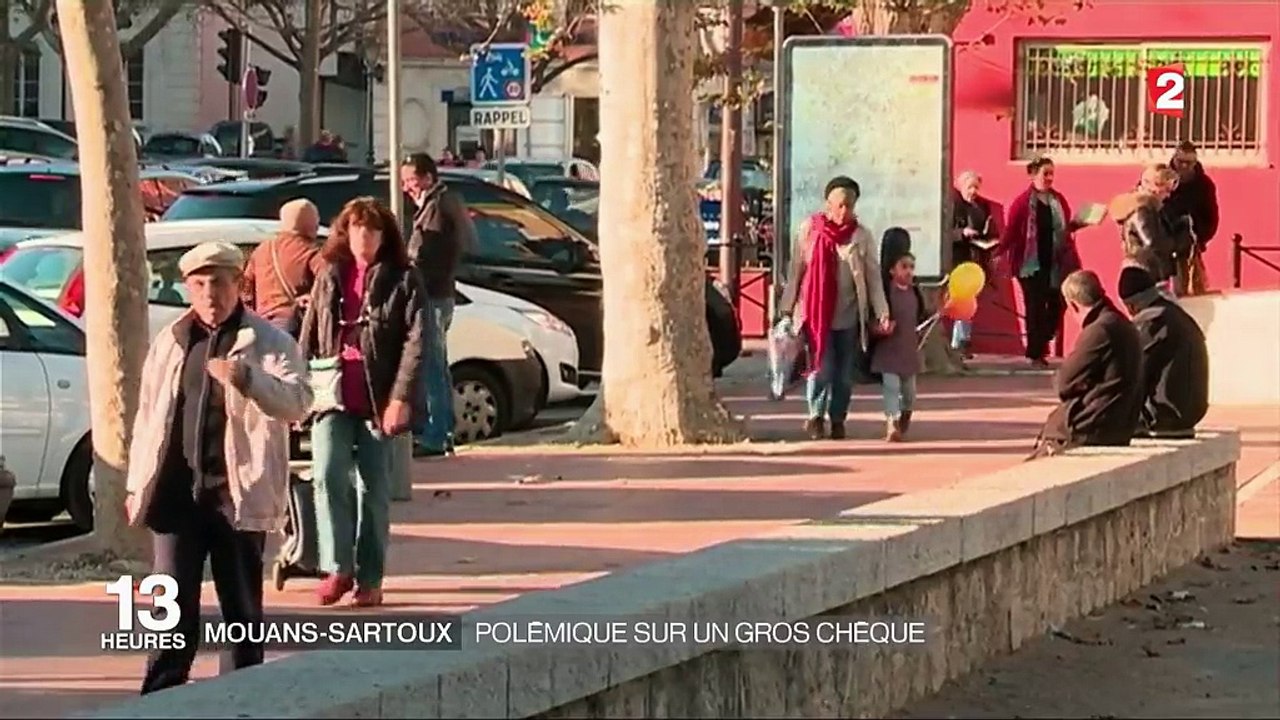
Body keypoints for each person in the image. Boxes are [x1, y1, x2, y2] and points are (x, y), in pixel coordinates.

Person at [124, 242, 312, 693]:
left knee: (241, 609)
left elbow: (299, 403)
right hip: (175, 495)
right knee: (170, 602)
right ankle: (162, 693)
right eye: (201, 284)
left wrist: (249, 379)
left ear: (238, 285)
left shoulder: (269, 342)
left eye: (221, 283)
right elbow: (148, 416)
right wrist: (136, 484)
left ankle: (243, 693)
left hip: (236, 496)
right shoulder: (171, 340)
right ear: (188, 288)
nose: (211, 294)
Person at [300, 197, 425, 607]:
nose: (363, 237)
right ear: (344, 231)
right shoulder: (330, 273)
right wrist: (298, 390)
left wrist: (400, 397)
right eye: (356, 228)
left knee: (373, 488)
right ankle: (338, 567)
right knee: (327, 473)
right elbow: (310, 330)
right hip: (330, 391)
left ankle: (370, 577)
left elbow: (418, 341)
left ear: (384, 235)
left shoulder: (404, 279)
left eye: (372, 230)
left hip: (377, 396)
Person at [778, 176, 892, 440]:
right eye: (839, 205)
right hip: (816, 317)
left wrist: (882, 310)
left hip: (850, 317)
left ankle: (838, 417)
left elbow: (873, 277)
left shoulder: (861, 235)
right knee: (821, 369)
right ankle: (815, 416)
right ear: (828, 204)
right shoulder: (810, 229)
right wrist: (786, 309)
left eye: (849, 205)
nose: (844, 211)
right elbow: (796, 272)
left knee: (843, 375)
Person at [400, 152, 476, 457]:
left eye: (411, 181)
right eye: (404, 182)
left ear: (428, 178)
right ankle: (441, 429)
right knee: (437, 365)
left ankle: (436, 432)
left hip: (432, 295)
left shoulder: (435, 209)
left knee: (432, 366)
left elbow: (424, 253)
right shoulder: (444, 203)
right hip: (441, 294)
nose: (407, 188)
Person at [1031, 270, 1143, 458]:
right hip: (1122, 421)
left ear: (1073, 305)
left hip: (1096, 424)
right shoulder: (1120, 323)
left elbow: (1063, 384)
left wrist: (1080, 383)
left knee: (1048, 443)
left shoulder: (1099, 330)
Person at [999, 156, 1084, 368]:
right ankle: (1035, 353)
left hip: (1055, 262)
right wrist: (998, 252)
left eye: (1051, 173)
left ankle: (1043, 338)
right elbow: (1011, 232)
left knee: (1058, 303)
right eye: (1045, 173)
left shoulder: (1058, 200)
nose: (1049, 178)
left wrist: (1077, 225)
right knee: (1034, 307)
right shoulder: (1022, 203)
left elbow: (1064, 228)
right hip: (1030, 263)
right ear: (1033, 175)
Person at [1117, 265, 1209, 438]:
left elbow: (1134, 375)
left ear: (1131, 306)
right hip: (1187, 411)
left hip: (1166, 414)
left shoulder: (1153, 323)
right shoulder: (1176, 315)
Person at [241, 198, 326, 336]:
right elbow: (328, 286)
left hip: (262, 327)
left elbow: (245, 292)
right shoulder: (312, 253)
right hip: (294, 329)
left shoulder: (262, 250)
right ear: (311, 223)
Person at [872, 251, 927, 442]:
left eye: (911, 267)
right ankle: (891, 422)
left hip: (908, 352)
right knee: (891, 388)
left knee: (909, 393)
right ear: (892, 270)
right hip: (888, 352)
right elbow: (873, 320)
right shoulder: (885, 293)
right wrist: (880, 328)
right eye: (904, 266)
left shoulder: (916, 292)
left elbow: (923, 317)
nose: (909, 271)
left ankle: (905, 414)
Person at [1110, 164, 1190, 285]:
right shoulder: (1143, 209)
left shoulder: (1143, 206)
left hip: (1142, 270)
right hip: (1148, 272)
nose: (1168, 195)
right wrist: (1180, 239)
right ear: (1155, 187)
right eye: (1167, 190)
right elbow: (1152, 243)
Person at [950, 170, 1001, 357]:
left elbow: (987, 228)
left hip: (976, 258)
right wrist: (962, 233)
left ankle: (962, 343)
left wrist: (991, 239)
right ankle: (958, 344)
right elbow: (944, 232)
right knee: (962, 302)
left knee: (969, 302)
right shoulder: (953, 205)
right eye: (969, 187)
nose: (973, 191)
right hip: (958, 259)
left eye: (976, 187)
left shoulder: (981, 206)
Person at [1164, 141, 1219, 296]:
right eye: (1179, 162)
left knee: (1187, 293)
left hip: (1188, 247)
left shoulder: (1204, 185)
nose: (1183, 167)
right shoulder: (1163, 177)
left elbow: (1211, 218)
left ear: (1195, 163)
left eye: (1188, 163)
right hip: (1162, 243)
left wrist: (1199, 238)